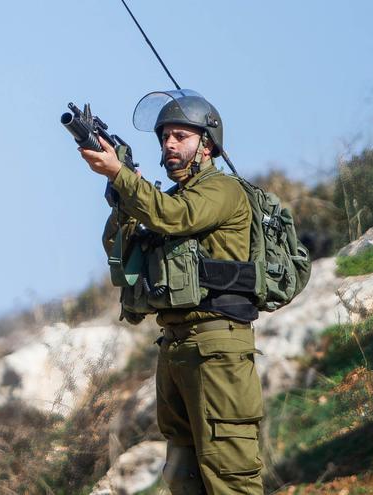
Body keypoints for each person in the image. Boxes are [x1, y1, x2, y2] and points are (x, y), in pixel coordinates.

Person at [79, 90, 264, 494]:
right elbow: (125, 252)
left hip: (218, 345)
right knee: (182, 475)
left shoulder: (222, 190)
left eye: (181, 136)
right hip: (177, 344)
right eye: (165, 137)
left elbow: (174, 218)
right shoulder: (172, 197)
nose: (170, 144)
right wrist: (124, 196)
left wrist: (119, 176)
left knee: (229, 473)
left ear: (207, 143)